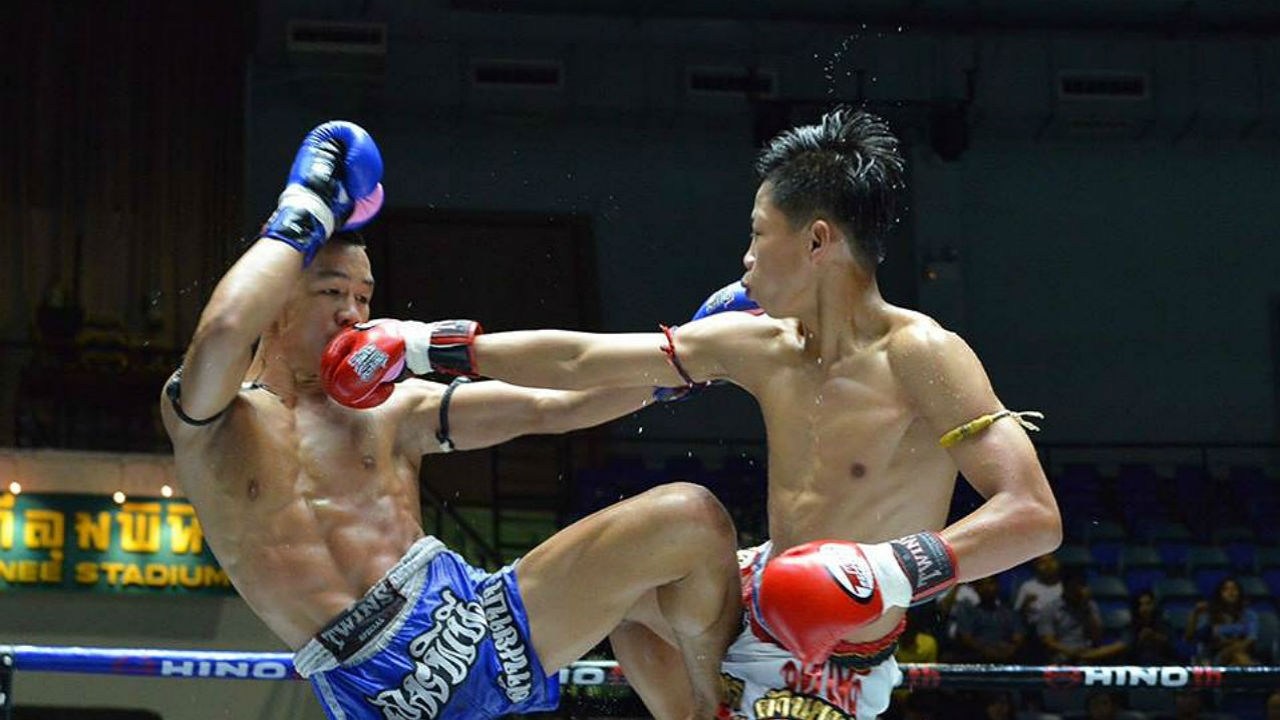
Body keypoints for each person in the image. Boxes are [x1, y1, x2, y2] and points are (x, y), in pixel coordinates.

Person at [326, 107, 1063, 718]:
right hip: (758, 605)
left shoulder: (923, 354)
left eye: (758, 233)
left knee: (733, 586)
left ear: (817, 241)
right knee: (639, 570)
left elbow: (1032, 514)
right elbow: (584, 360)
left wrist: (886, 570)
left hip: (832, 659)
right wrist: (425, 345)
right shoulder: (759, 344)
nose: (745, 258)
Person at [159, 121, 741, 720]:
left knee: (680, 531)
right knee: (665, 554)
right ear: (277, 296)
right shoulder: (215, 421)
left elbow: (554, 404)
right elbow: (224, 329)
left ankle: (713, 710)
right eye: (332, 293)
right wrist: (304, 209)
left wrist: (684, 369)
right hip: (375, 695)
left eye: (364, 297)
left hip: (471, 626)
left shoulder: (390, 406)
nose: (353, 313)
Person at [1036, 571, 1125, 664]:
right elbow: (1048, 641)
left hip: (1088, 653)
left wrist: (1085, 609)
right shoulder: (1050, 608)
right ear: (1065, 588)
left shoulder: (1090, 606)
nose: (1077, 590)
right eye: (1073, 586)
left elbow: (1096, 637)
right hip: (1062, 654)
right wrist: (1071, 652)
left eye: (1081, 586)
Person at [949, 576, 1024, 663]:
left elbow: (1018, 636)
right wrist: (986, 650)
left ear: (998, 585)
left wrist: (1008, 651)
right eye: (981, 584)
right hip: (977, 658)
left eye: (990, 583)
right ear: (976, 588)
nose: (986, 588)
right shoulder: (969, 612)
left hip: (1006, 657)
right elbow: (966, 638)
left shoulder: (1009, 612)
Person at [1185, 577, 1259, 666]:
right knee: (1239, 657)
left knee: (1238, 658)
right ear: (1219, 594)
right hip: (1213, 658)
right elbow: (1189, 638)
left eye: (1234, 589)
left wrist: (1229, 647)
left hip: (1239, 653)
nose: (1231, 592)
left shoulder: (1249, 615)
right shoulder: (1209, 614)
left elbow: (1251, 640)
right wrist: (1195, 613)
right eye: (1226, 589)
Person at [1122, 590, 1181, 665]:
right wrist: (1139, 640)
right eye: (1141, 605)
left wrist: (1154, 636)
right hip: (1137, 665)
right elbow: (1127, 651)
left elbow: (1173, 647)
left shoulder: (1164, 625)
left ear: (1154, 605)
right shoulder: (1131, 626)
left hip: (1163, 664)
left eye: (1148, 604)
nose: (1145, 608)